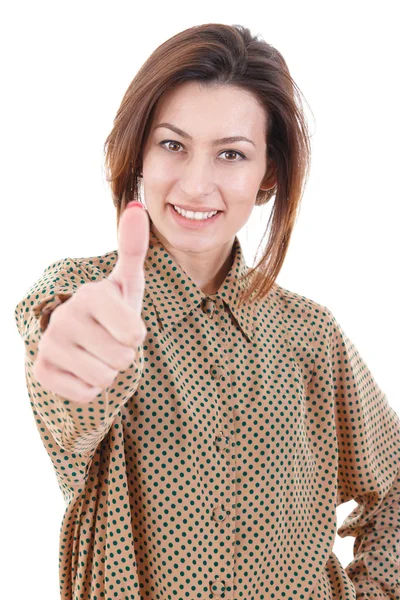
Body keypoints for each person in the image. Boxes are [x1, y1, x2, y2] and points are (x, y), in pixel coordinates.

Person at [14, 23, 400, 600]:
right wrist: (81, 347)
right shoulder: (80, 294)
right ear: (139, 152)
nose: (196, 184)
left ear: (267, 174)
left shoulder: (309, 334)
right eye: (173, 145)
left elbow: (391, 483)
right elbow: (68, 402)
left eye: (231, 155)